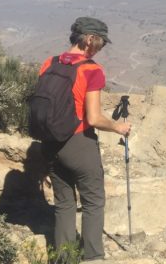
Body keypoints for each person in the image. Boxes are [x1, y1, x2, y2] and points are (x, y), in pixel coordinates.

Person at [40, 17, 131, 261]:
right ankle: (93, 257)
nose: (101, 49)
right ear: (90, 39)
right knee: (93, 203)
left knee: (64, 204)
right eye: (101, 43)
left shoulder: (49, 63)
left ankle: (64, 259)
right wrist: (118, 127)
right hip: (78, 143)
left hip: (50, 144)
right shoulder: (91, 70)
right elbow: (93, 118)